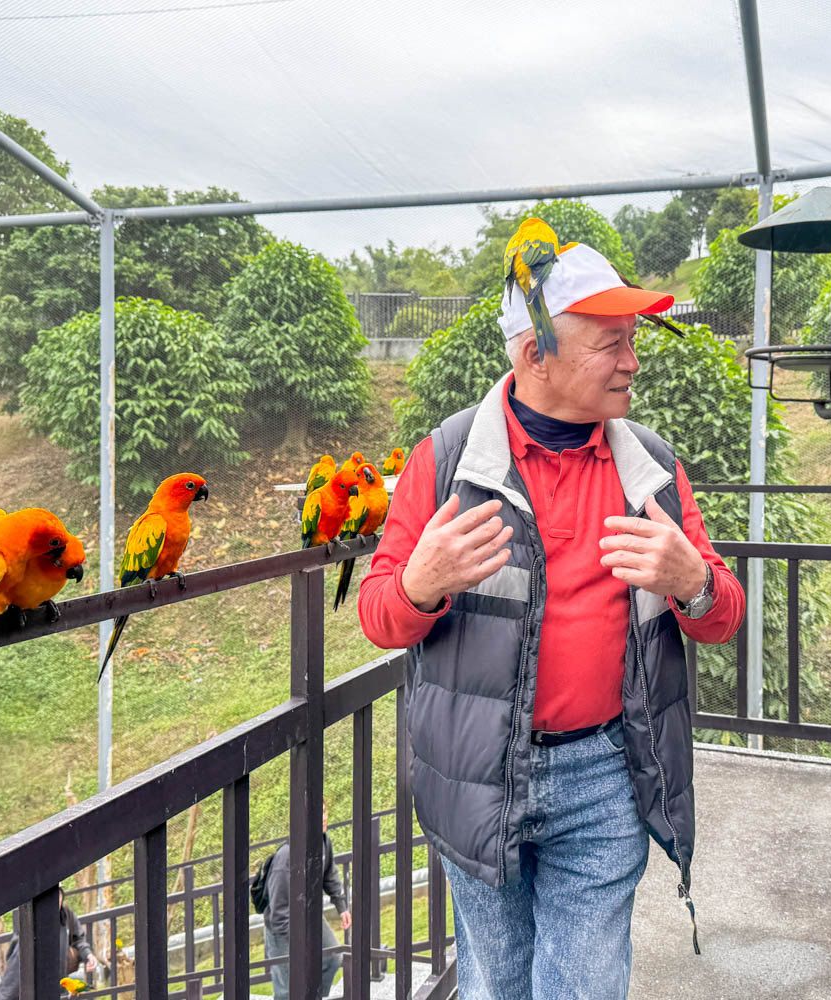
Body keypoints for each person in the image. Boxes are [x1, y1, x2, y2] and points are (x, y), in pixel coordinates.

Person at [358, 221, 746, 1000]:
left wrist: (691, 579)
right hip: (475, 776)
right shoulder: (447, 460)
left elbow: (720, 617)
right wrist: (418, 584)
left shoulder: (651, 465)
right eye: (610, 343)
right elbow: (378, 616)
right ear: (535, 354)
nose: (632, 361)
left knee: (583, 986)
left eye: (632, 340)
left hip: (605, 773)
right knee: (495, 983)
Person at [261, 805, 352, 1000]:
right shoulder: (286, 858)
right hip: (282, 928)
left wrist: (341, 905)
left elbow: (329, 874)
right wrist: (303, 943)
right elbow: (278, 915)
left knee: (332, 959)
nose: (323, 818)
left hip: (310, 916)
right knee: (288, 990)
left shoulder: (323, 842)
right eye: (316, 813)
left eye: (325, 811)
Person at [0, 888, 98, 1000]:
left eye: (58, 902)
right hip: (34, 983)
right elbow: (14, 973)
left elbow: (78, 939)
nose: (55, 907)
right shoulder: (29, 921)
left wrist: (88, 954)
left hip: (58, 982)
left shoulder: (66, 914)